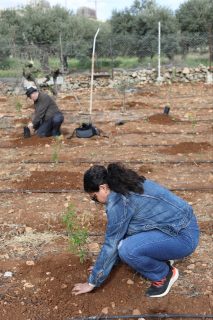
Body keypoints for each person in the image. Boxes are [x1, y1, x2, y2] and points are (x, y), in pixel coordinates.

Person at [72, 162, 200, 298]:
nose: (95, 201)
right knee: (126, 232)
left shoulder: (118, 201)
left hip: (182, 237)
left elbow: (112, 243)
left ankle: (163, 274)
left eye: (94, 197)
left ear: (103, 187)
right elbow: (121, 232)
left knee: (127, 249)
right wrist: (103, 266)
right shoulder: (125, 184)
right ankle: (160, 256)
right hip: (181, 227)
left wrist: (93, 281)